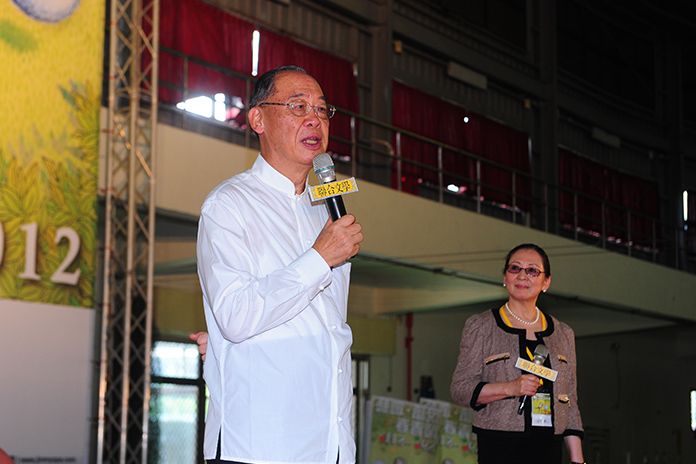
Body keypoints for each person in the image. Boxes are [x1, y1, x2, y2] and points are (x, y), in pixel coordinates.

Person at [196, 65, 363, 464]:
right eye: (298, 106)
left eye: (322, 109)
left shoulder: (325, 212)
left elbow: (328, 324)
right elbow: (236, 316)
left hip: (330, 442)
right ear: (258, 119)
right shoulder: (228, 205)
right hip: (260, 444)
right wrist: (319, 258)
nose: (314, 119)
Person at [450, 244, 584, 464]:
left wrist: (578, 458)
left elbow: (569, 400)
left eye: (532, 270)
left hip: (549, 447)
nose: (522, 275)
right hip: (500, 447)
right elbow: (460, 389)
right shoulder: (482, 326)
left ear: (546, 282)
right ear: (505, 277)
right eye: (515, 268)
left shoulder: (563, 334)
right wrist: (510, 388)